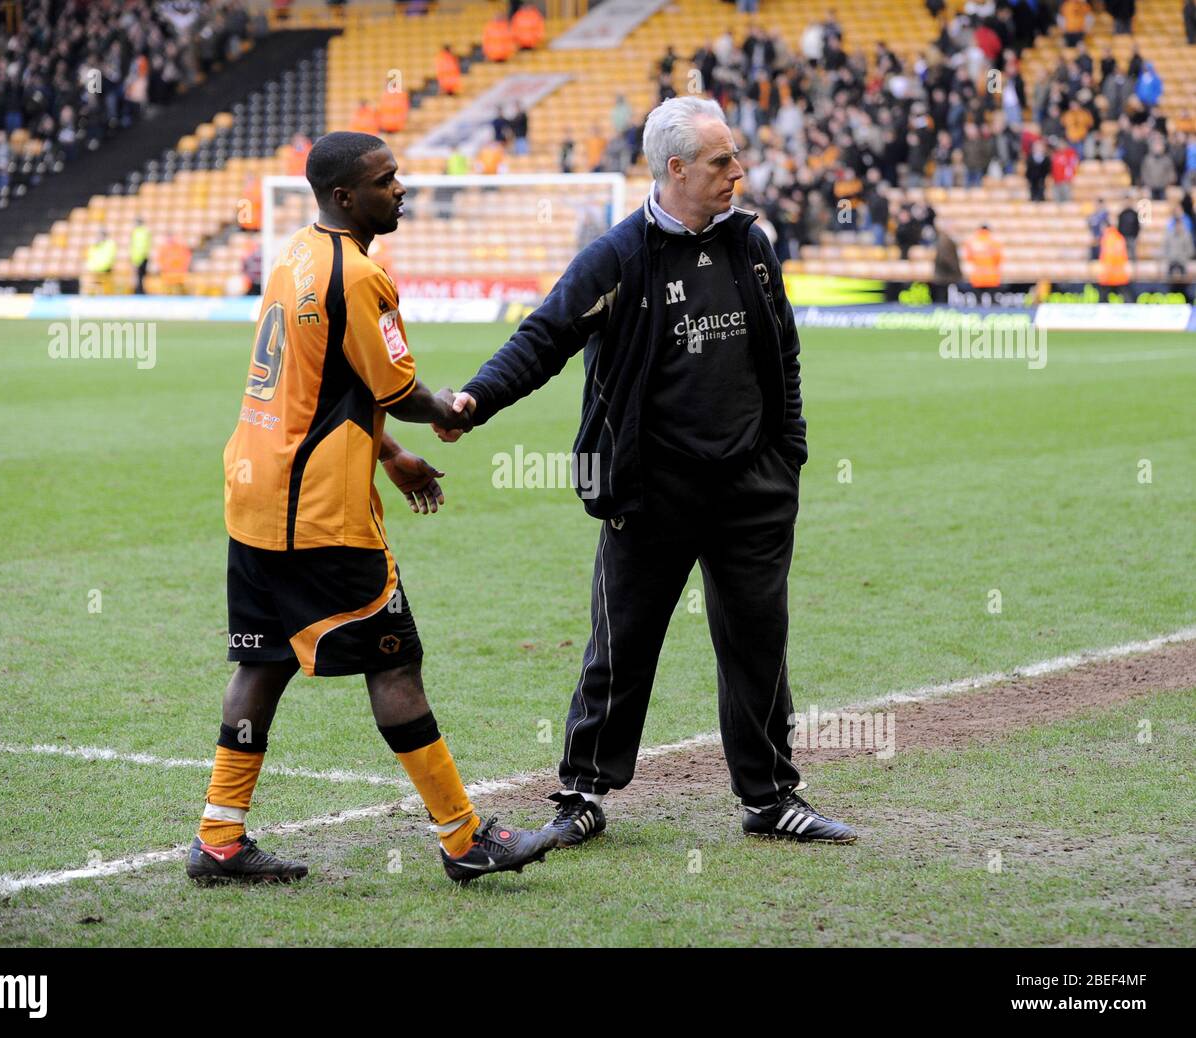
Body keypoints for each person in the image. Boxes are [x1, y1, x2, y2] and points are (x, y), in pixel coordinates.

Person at [435, 97, 857, 849]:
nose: (738, 171)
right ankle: (582, 794)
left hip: (751, 489)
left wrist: (785, 453)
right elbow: (544, 338)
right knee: (622, 647)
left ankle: (769, 797)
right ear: (677, 169)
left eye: (734, 157)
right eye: (722, 161)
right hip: (650, 491)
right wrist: (475, 400)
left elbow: (783, 354)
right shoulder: (619, 256)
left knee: (759, 643)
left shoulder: (750, 245)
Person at [188, 132, 554, 886]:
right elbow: (398, 392)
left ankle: (219, 838)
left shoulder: (294, 255)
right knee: (396, 662)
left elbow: (322, 387)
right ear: (346, 196)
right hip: (316, 511)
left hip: (254, 489)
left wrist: (388, 458)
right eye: (388, 180)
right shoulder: (359, 276)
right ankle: (463, 839)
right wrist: (457, 408)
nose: (403, 188)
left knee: (261, 659)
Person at [962, 222, 1003, 291]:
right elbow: (998, 259)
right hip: (991, 278)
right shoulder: (994, 243)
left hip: (977, 277)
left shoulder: (972, 243)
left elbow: (968, 258)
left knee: (978, 300)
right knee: (993, 300)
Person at [1097, 220, 1131, 299]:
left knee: (1103, 297)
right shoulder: (1119, 236)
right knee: (1125, 295)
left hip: (1109, 273)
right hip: (1120, 273)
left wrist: (1105, 271)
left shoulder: (1107, 238)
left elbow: (1108, 256)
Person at [85, 227, 116, 294]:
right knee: (94, 285)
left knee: (105, 286)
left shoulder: (110, 244)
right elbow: (90, 256)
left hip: (105, 268)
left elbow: (108, 257)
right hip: (95, 269)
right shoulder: (94, 245)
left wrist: (100, 266)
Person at [130, 217, 152, 295]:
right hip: (140, 256)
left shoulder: (139, 232)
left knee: (141, 275)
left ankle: (140, 290)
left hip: (140, 257)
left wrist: (137, 258)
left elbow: (140, 246)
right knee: (140, 275)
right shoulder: (143, 231)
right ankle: (139, 290)